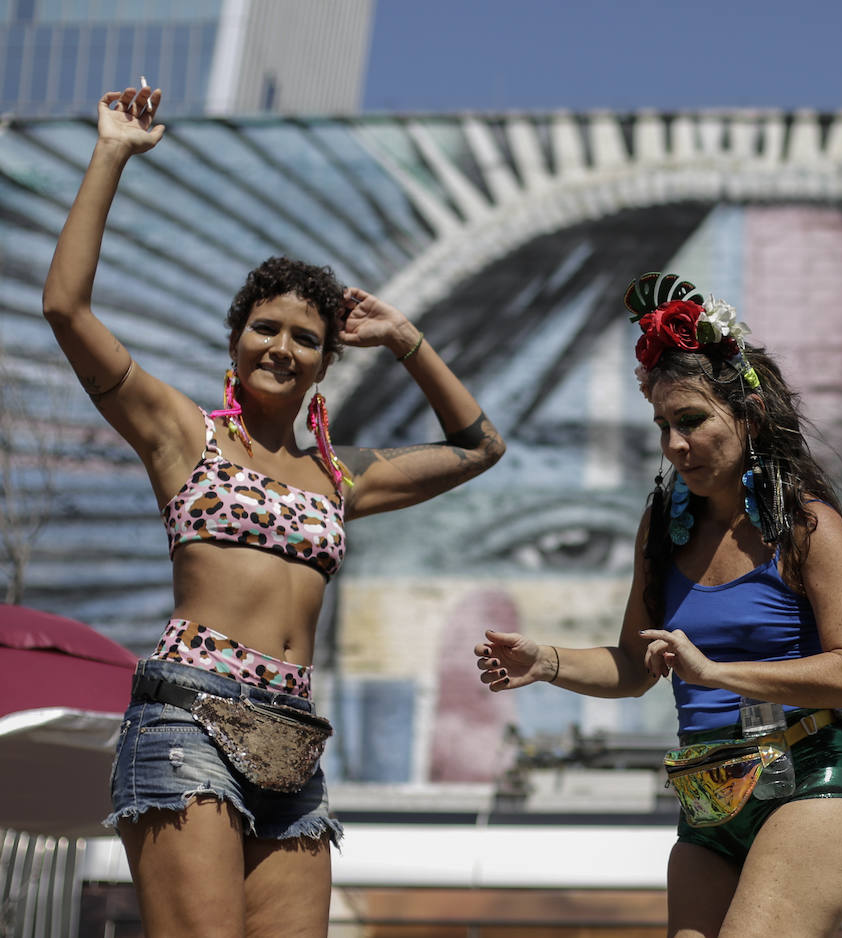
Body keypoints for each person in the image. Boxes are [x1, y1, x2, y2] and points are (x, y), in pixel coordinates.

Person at [42, 84, 505, 937]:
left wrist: (406, 339)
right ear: (234, 340)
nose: (281, 347)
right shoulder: (181, 434)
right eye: (264, 327)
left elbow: (480, 447)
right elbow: (66, 309)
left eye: (304, 338)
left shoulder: (337, 475)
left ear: (325, 363)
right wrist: (110, 152)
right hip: (191, 716)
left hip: (296, 742)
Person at [475, 273, 842, 938]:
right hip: (710, 796)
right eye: (663, 425)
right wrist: (545, 660)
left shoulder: (807, 526)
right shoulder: (664, 528)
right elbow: (637, 668)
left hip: (811, 777)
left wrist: (716, 672)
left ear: (746, 416)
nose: (673, 445)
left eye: (690, 421)